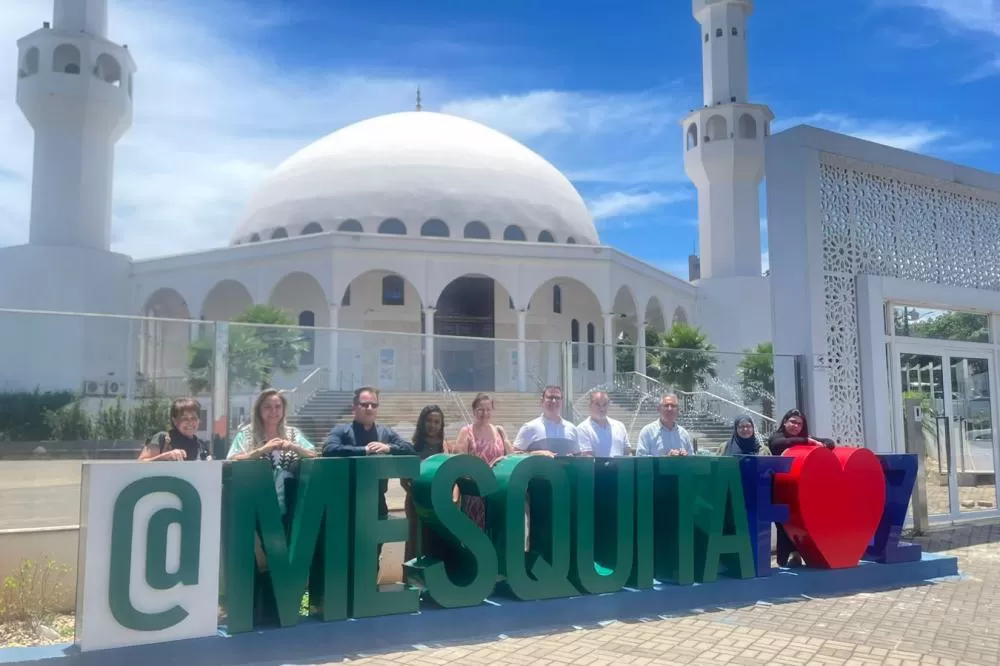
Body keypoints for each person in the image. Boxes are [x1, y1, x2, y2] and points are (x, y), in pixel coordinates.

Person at [322, 386, 416, 520]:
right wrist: (365, 450)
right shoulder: (341, 430)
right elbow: (328, 449)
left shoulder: (385, 432)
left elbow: (409, 448)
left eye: (374, 405)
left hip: (377, 503)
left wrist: (389, 448)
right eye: (365, 405)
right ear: (354, 407)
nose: (370, 408)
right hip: (345, 502)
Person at [226, 388, 317, 515]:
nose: (273, 411)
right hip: (255, 500)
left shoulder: (293, 433)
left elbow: (313, 454)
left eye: (278, 407)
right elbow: (232, 459)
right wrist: (262, 450)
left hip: (292, 502)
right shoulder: (246, 434)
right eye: (267, 407)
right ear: (259, 410)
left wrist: (294, 447)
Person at [768, 408, 834, 567]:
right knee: (783, 524)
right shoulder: (777, 437)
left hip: (799, 491)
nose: (795, 426)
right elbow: (778, 444)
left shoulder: (806, 438)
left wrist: (820, 443)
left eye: (799, 423)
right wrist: (807, 441)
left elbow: (830, 443)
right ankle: (783, 561)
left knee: (800, 524)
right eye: (792, 422)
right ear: (785, 422)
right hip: (779, 490)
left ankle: (799, 555)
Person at [451, 393, 514, 530]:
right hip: (474, 493)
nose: (485, 413)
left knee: (496, 531)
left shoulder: (500, 431)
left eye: (488, 409)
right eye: (481, 409)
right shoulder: (466, 432)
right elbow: (459, 461)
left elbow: (511, 456)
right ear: (474, 411)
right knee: (474, 532)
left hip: (497, 492)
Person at [402, 405, 448, 562]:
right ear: (422, 422)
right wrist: (419, 497)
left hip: (438, 504)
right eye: (429, 420)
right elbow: (404, 481)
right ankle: (411, 580)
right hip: (415, 502)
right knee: (415, 542)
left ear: (441, 425)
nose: (433, 425)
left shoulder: (445, 446)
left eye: (437, 422)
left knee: (435, 542)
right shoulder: (412, 446)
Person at [513, 385, 582, 457]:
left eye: (557, 398)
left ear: (562, 402)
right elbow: (514, 454)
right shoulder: (529, 428)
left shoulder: (572, 429)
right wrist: (537, 453)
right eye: (550, 397)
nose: (554, 401)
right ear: (542, 401)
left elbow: (578, 455)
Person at [138, 397, 212, 462]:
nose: (190, 422)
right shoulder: (163, 438)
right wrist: (166, 456)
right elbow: (141, 463)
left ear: (199, 421)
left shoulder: (202, 445)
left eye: (194, 418)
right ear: (174, 420)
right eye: (184, 418)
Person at [576, 390, 630, 457]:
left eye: (604, 405)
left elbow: (627, 453)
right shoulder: (582, 429)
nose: (601, 409)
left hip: (620, 467)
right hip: (597, 467)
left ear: (608, 405)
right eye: (597, 405)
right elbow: (587, 457)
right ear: (590, 405)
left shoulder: (620, 426)